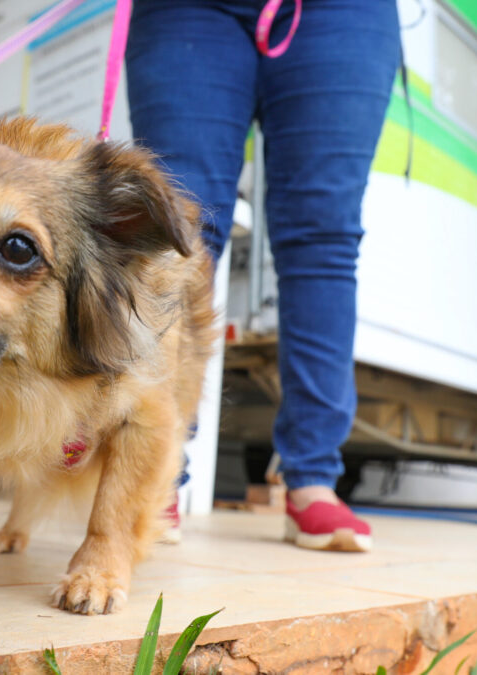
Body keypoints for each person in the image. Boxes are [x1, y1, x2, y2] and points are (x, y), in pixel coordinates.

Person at [127, 0, 400, 552]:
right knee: (180, 230)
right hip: (188, 12)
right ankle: (151, 471)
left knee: (324, 237)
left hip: (342, 13)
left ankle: (314, 480)